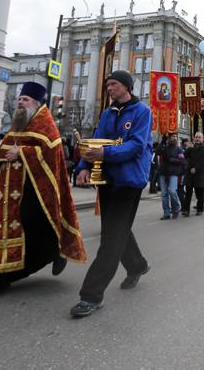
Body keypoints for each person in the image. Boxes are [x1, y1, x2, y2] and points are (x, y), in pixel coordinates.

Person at [0, 82, 86, 295]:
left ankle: (52, 250)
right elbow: (1, 156)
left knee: (33, 228)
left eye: (25, 100)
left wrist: (22, 152)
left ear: (37, 103)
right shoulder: (17, 124)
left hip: (33, 191)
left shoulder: (46, 125)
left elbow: (51, 154)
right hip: (5, 192)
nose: (21, 103)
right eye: (20, 99)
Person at [71, 71, 152, 318]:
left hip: (130, 181)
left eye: (114, 84)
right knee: (116, 230)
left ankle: (91, 296)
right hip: (107, 180)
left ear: (126, 86)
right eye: (107, 85)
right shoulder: (107, 113)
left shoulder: (142, 112)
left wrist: (106, 154)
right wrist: (83, 167)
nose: (109, 88)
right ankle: (137, 265)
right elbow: (95, 142)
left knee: (111, 239)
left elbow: (137, 145)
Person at [182, 131, 204, 216]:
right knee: (188, 192)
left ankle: (200, 209)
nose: (197, 139)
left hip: (200, 173)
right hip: (190, 173)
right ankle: (186, 210)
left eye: (199, 137)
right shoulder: (191, 147)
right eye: (196, 137)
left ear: (202, 139)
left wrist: (196, 168)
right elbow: (185, 156)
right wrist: (188, 148)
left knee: (199, 193)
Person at [157, 133, 184, 220]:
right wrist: (163, 141)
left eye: (176, 136)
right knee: (164, 194)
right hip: (163, 173)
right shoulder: (164, 147)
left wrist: (173, 160)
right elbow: (157, 152)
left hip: (173, 173)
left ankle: (176, 208)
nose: (175, 138)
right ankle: (166, 213)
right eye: (173, 136)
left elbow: (182, 161)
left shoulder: (178, 149)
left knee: (172, 192)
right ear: (169, 138)